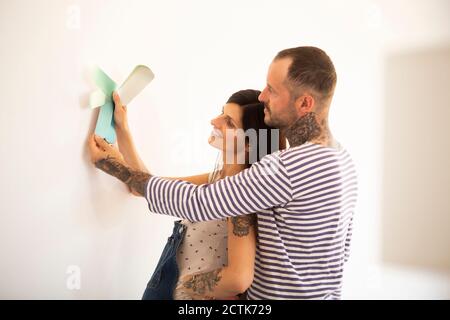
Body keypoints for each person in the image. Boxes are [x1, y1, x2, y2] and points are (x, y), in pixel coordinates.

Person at [88, 46, 358, 299]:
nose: (263, 96)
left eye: (273, 90)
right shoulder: (342, 160)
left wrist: (174, 289)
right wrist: (123, 134)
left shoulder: (291, 167)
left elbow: (199, 202)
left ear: (305, 103)